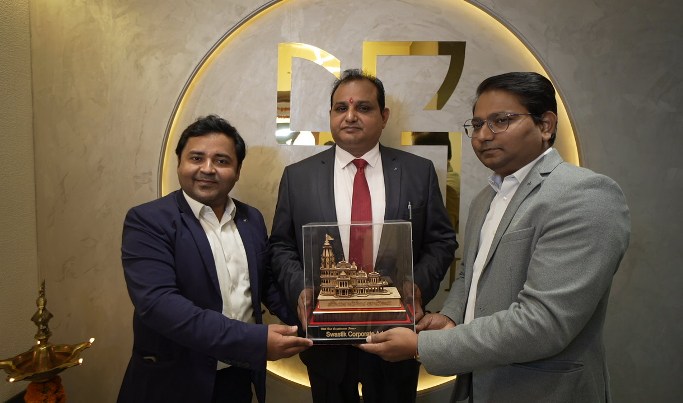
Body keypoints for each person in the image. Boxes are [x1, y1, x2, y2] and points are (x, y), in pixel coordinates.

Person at [360, 72, 631, 402]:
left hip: (542, 392)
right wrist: (450, 317)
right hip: (478, 386)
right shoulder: (485, 199)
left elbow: (543, 323)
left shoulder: (583, 195)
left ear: (546, 125)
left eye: (501, 121)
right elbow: (470, 275)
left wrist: (422, 346)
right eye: (477, 125)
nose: (483, 135)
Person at [270, 69, 457, 403]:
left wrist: (416, 286)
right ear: (331, 115)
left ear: (384, 116)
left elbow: (441, 241)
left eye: (364, 108)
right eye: (341, 108)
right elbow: (281, 246)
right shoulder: (298, 177)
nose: (351, 116)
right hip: (325, 339)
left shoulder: (418, 172)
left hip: (396, 334)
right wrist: (301, 289)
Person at [118, 115, 312, 403]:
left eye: (221, 161)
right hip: (174, 382)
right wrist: (254, 341)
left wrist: (313, 319)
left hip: (238, 376)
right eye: (196, 158)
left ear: (237, 171)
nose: (207, 169)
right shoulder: (148, 220)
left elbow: (265, 284)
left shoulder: (251, 218)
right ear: (180, 163)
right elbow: (159, 305)